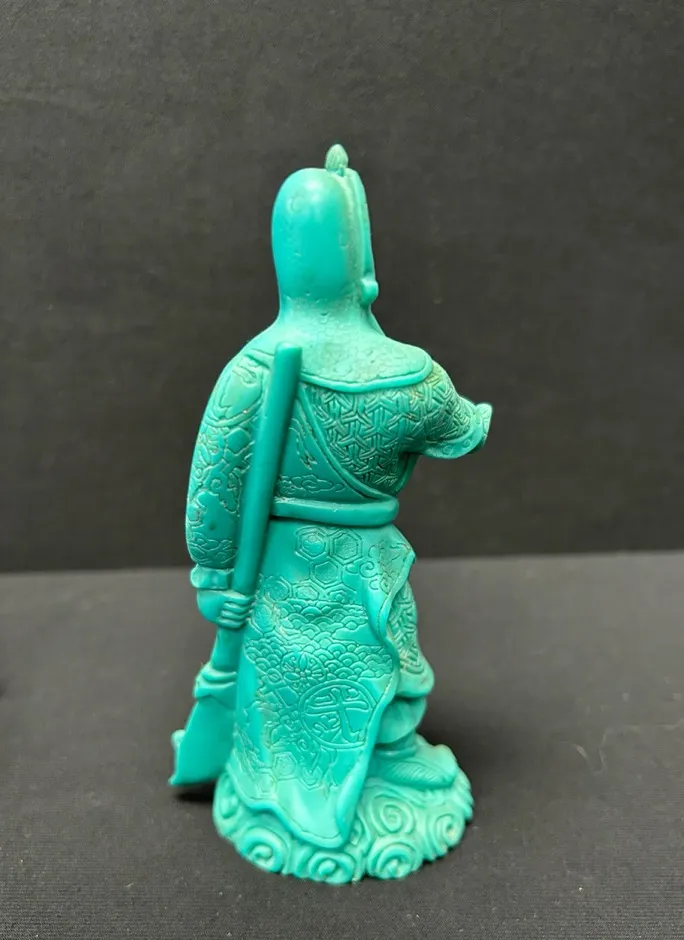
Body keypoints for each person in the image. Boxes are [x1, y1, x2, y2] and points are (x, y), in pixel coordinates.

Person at [174, 145, 492, 882]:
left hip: (281, 573)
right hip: (360, 567)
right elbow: (462, 428)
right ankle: (359, 763)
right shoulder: (409, 376)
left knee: (297, 677)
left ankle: (340, 766)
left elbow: (211, 494)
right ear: (360, 256)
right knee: (380, 658)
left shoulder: (248, 370)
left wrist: (213, 574)